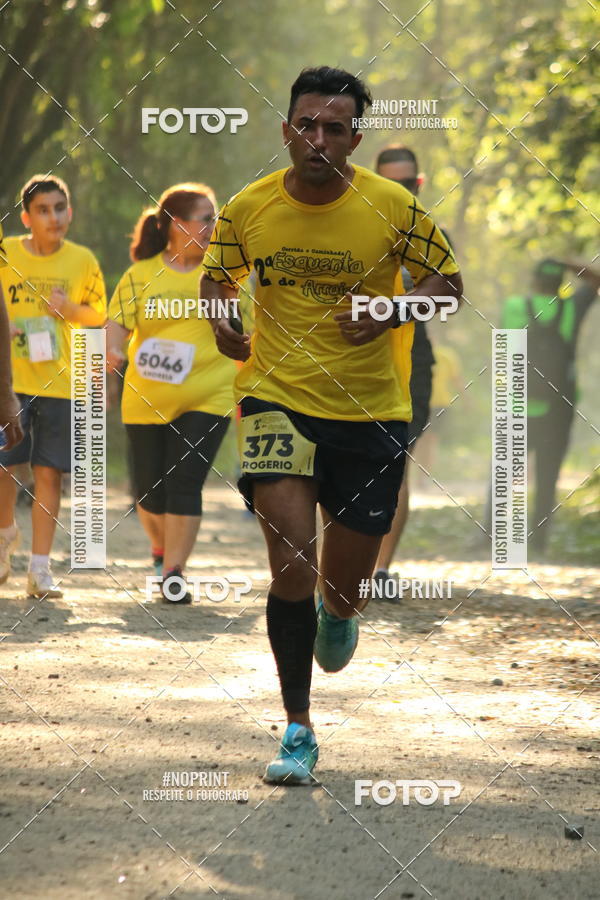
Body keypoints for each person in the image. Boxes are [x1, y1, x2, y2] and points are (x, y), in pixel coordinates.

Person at [200, 66, 462, 784]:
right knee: (290, 557)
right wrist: (223, 319)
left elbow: (449, 287)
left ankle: (340, 611)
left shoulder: (393, 208)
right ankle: (297, 728)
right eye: (305, 125)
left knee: (340, 588)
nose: (317, 139)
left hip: (371, 411)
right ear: (287, 130)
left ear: (354, 138)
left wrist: (392, 308)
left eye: (334, 129)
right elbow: (216, 278)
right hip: (274, 396)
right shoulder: (248, 207)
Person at [106, 184, 236, 603]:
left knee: (184, 483)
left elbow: (250, 330)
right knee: (148, 492)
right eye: (205, 218)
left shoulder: (226, 275)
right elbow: (116, 329)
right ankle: (161, 551)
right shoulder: (140, 275)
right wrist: (110, 354)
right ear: (176, 226)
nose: (213, 226)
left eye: (214, 217)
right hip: (146, 398)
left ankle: (174, 573)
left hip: (209, 395)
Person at [0, 176, 106, 597]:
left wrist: (69, 309)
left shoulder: (82, 260)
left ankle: (39, 569)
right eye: (43, 210)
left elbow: (99, 315)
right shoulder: (6, 252)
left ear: (70, 212)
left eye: (60, 208)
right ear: (26, 217)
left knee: (49, 473)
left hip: (60, 382)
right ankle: (5, 531)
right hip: (9, 381)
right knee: (6, 466)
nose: (53, 217)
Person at [372, 145, 455, 593]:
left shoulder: (432, 235)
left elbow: (447, 297)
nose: (400, 191)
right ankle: (342, 567)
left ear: (419, 185)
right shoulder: (353, 225)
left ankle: (380, 571)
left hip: (411, 363)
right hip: (349, 359)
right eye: (391, 182)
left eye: (407, 183)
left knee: (395, 463)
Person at [499, 258, 600, 552]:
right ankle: (538, 541)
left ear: (534, 280)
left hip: (516, 402)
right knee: (548, 473)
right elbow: (596, 281)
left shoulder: (515, 306)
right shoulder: (571, 306)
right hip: (559, 405)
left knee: (505, 468)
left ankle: (490, 534)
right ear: (559, 283)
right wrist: (568, 262)